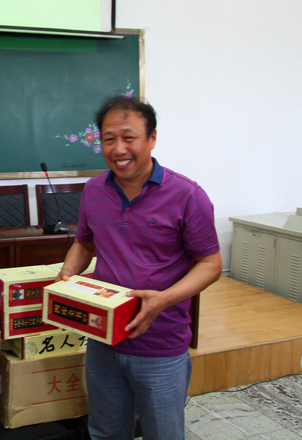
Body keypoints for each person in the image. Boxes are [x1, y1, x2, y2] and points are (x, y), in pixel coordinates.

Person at [56, 95, 222, 439]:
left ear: (152, 138)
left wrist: (164, 299)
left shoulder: (187, 195)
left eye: (129, 137)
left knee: (163, 434)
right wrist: (68, 273)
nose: (119, 149)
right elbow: (84, 243)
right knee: (105, 432)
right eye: (109, 139)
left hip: (161, 345)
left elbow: (210, 264)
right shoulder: (93, 190)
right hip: (103, 339)